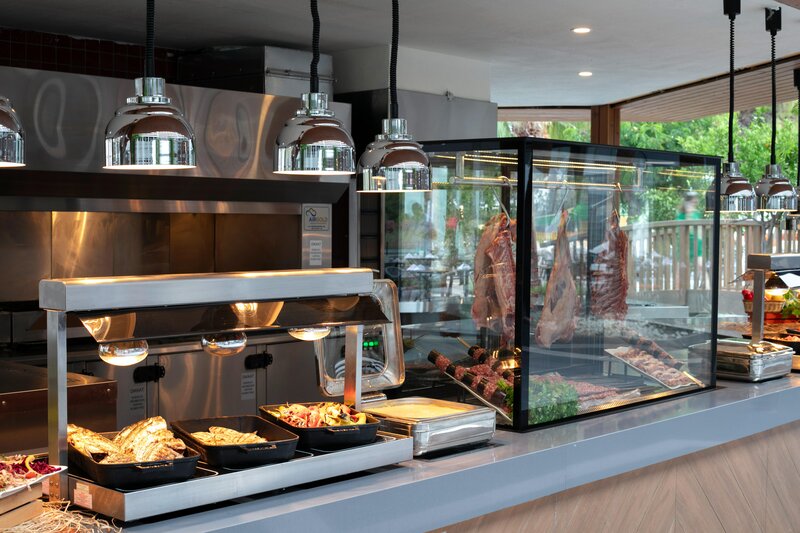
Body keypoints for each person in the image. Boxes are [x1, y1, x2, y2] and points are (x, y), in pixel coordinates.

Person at [676, 191, 705, 287]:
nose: (694, 202)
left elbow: (698, 229)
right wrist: (688, 214)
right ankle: (677, 291)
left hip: (696, 245)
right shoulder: (681, 215)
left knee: (701, 267)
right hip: (684, 246)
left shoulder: (696, 214)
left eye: (694, 200)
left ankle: (705, 288)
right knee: (680, 270)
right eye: (691, 201)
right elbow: (681, 229)